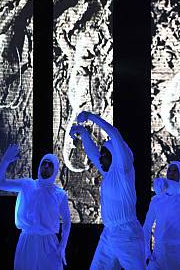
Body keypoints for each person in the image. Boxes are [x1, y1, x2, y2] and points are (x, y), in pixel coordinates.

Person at [69, 111, 145, 269]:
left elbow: (115, 134)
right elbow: (92, 153)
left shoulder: (123, 170)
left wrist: (90, 116)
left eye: (104, 154)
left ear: (115, 156)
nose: (100, 157)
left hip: (127, 234)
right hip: (109, 233)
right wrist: (83, 133)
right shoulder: (109, 173)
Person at [0, 145, 71, 270]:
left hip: (49, 243)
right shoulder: (27, 184)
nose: (45, 166)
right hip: (27, 241)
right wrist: (5, 161)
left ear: (55, 169)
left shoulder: (60, 194)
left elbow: (67, 221)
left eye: (50, 165)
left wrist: (63, 245)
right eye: (44, 163)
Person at [144, 160, 180, 270]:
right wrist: (146, 251)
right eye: (169, 170)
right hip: (158, 256)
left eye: (175, 171)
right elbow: (147, 227)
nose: (171, 173)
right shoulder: (157, 199)